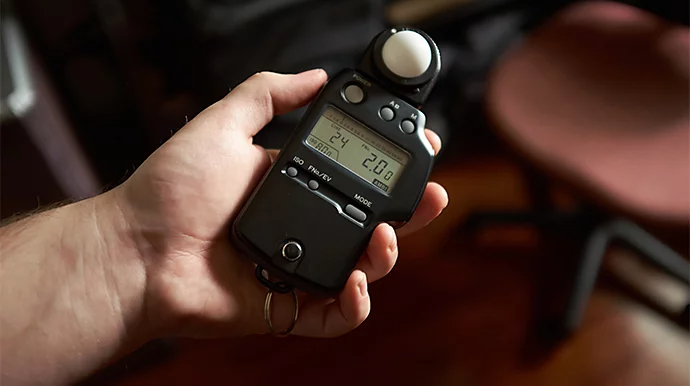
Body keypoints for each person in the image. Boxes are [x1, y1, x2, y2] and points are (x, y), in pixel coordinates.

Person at [0, 69, 448, 386]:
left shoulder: (353, 107)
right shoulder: (367, 116)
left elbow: (401, 207)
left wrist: (128, 254)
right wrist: (130, 244)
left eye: (376, 166)